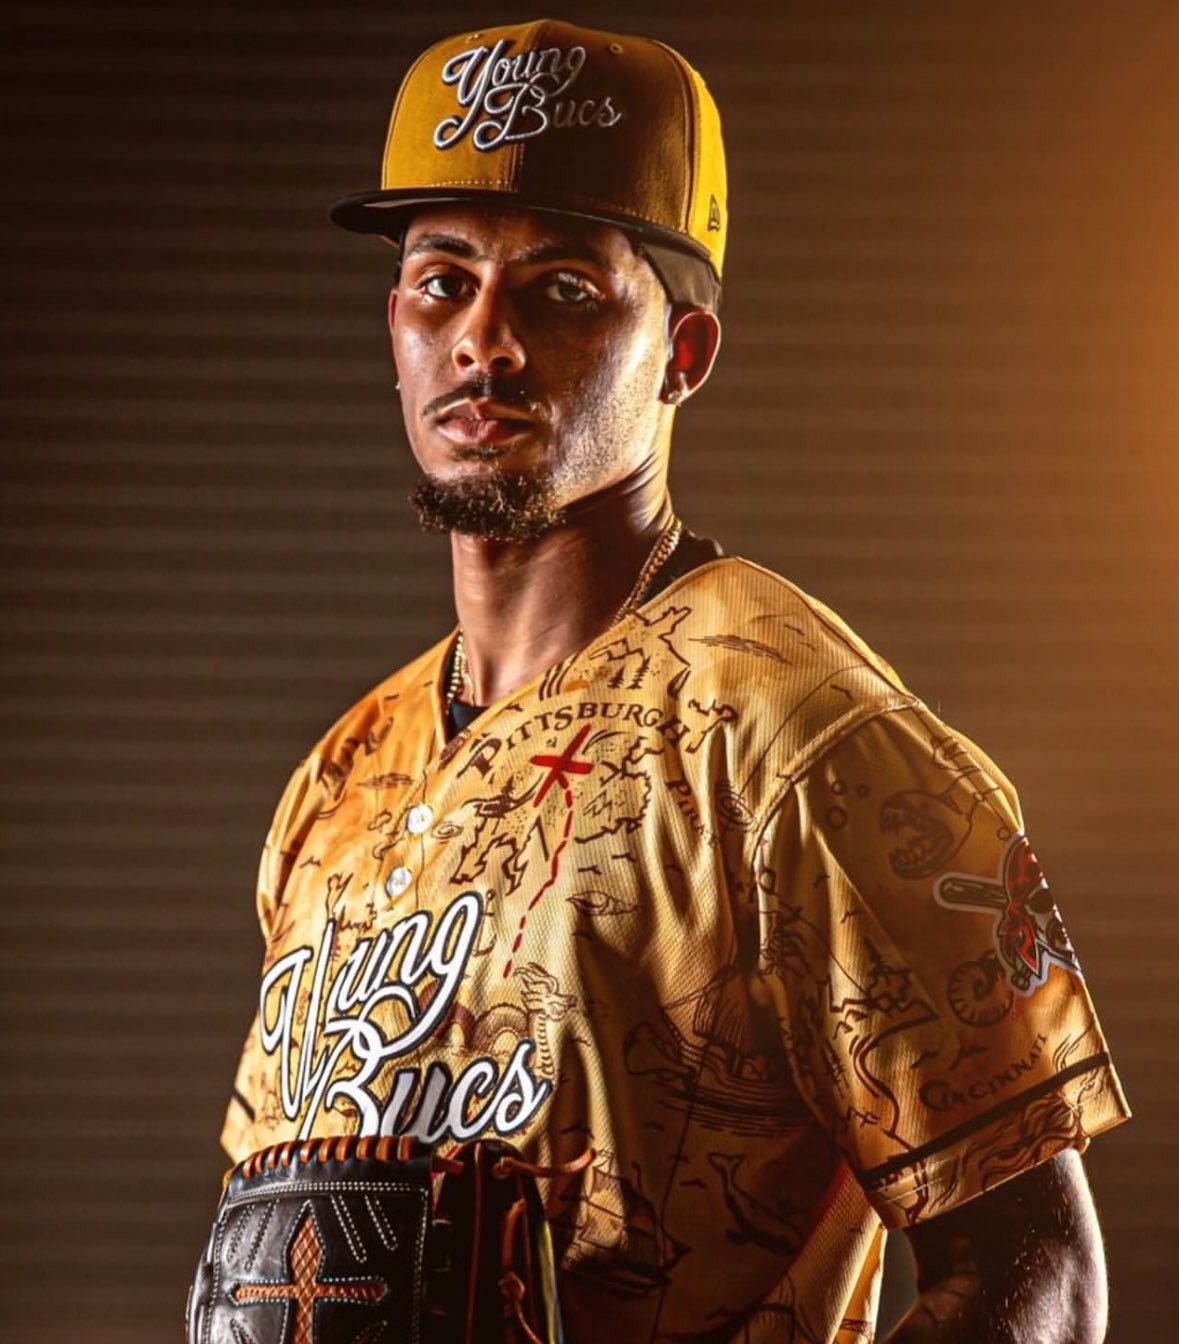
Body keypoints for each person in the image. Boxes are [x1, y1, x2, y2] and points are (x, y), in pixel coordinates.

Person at [217, 19, 1129, 1343]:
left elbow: (1034, 1276)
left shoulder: (806, 743)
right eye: (441, 282)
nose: (483, 341)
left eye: (562, 291)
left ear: (683, 352)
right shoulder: (344, 775)